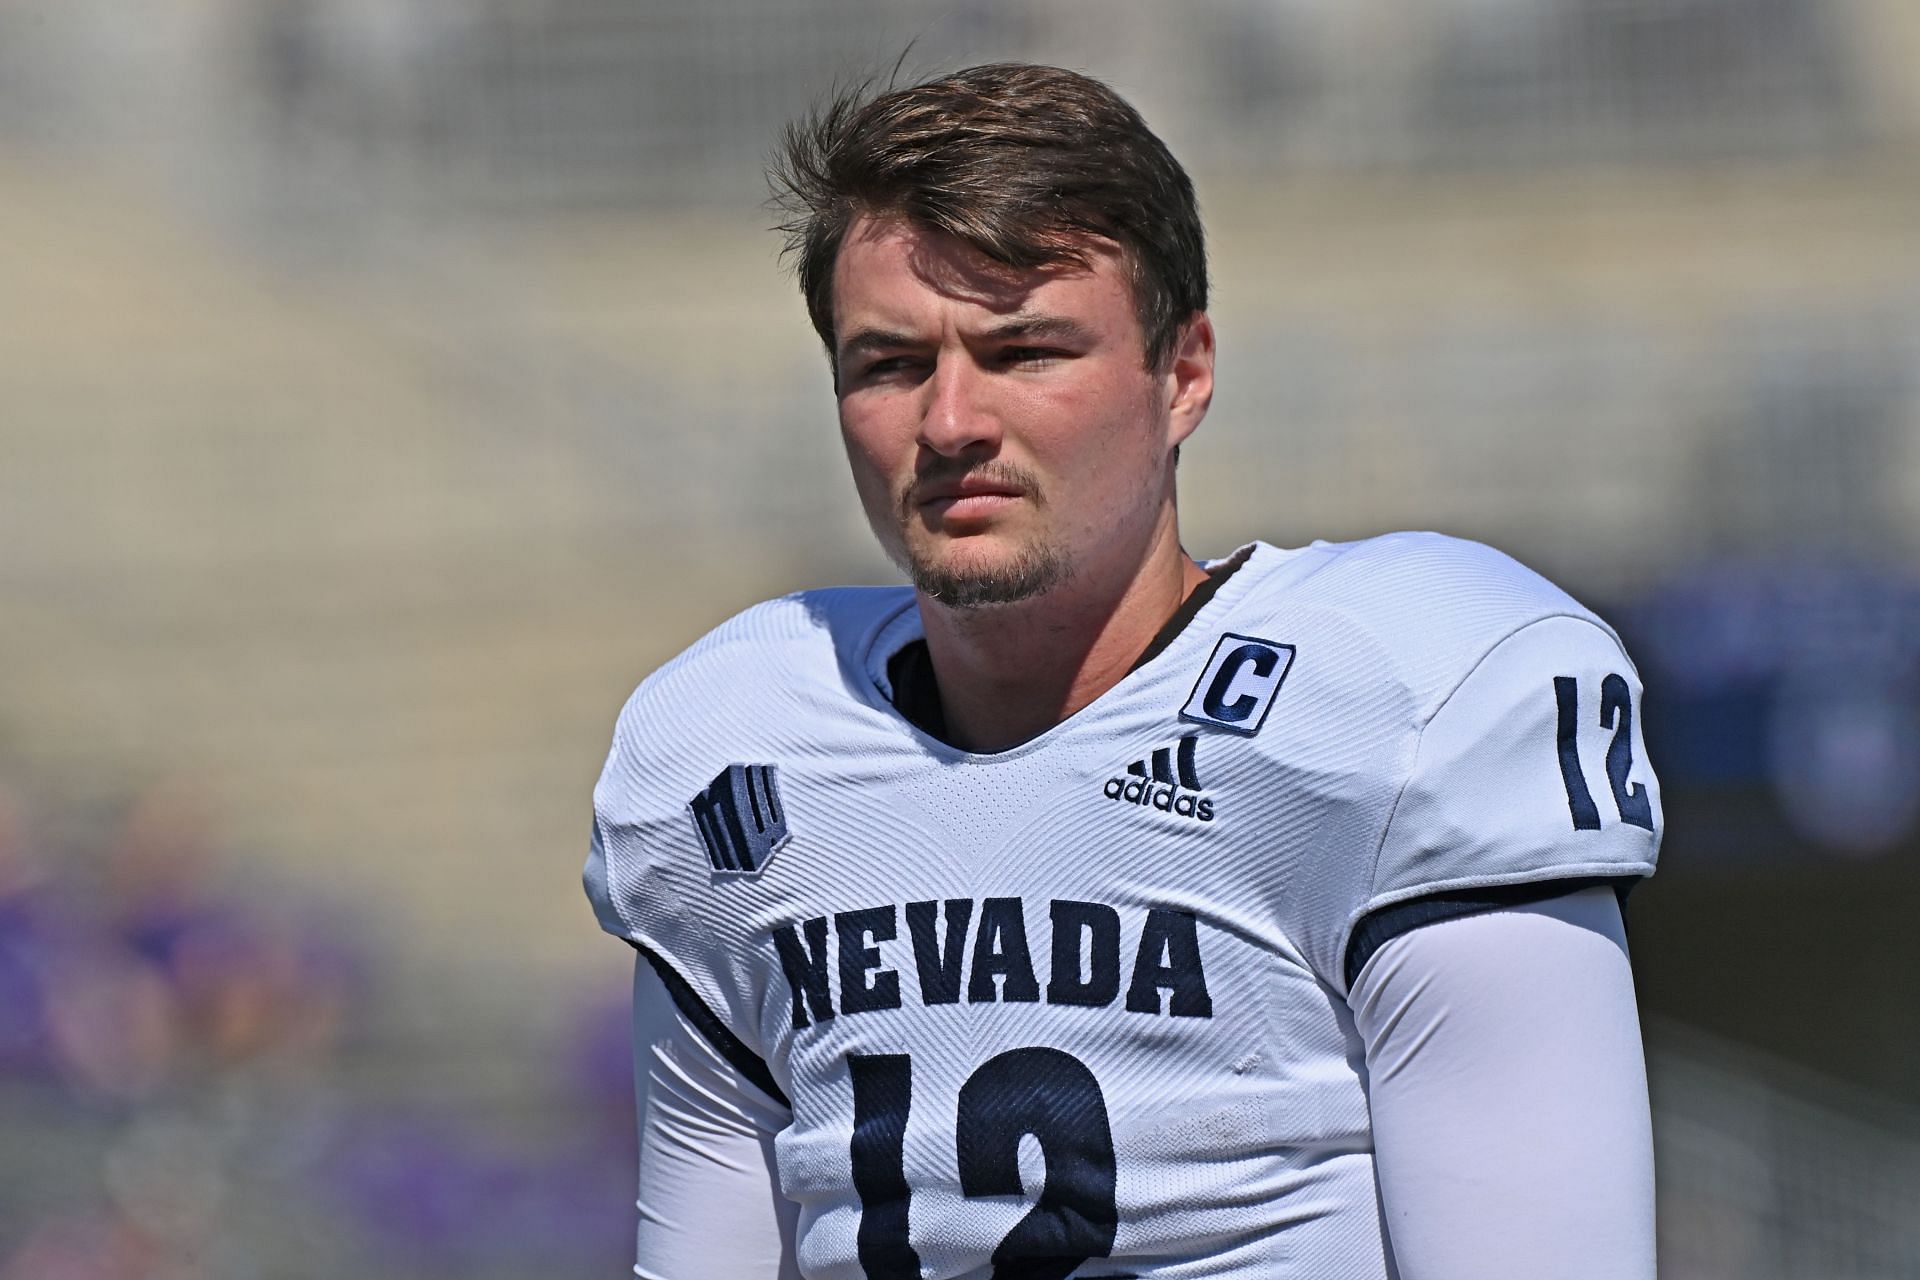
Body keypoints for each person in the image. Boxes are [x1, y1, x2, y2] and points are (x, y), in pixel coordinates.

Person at [585, 62, 1661, 1280]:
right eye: (888, 364)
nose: (949, 422)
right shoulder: (735, 746)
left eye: (1026, 348)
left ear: (1183, 373)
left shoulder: (1400, 695)